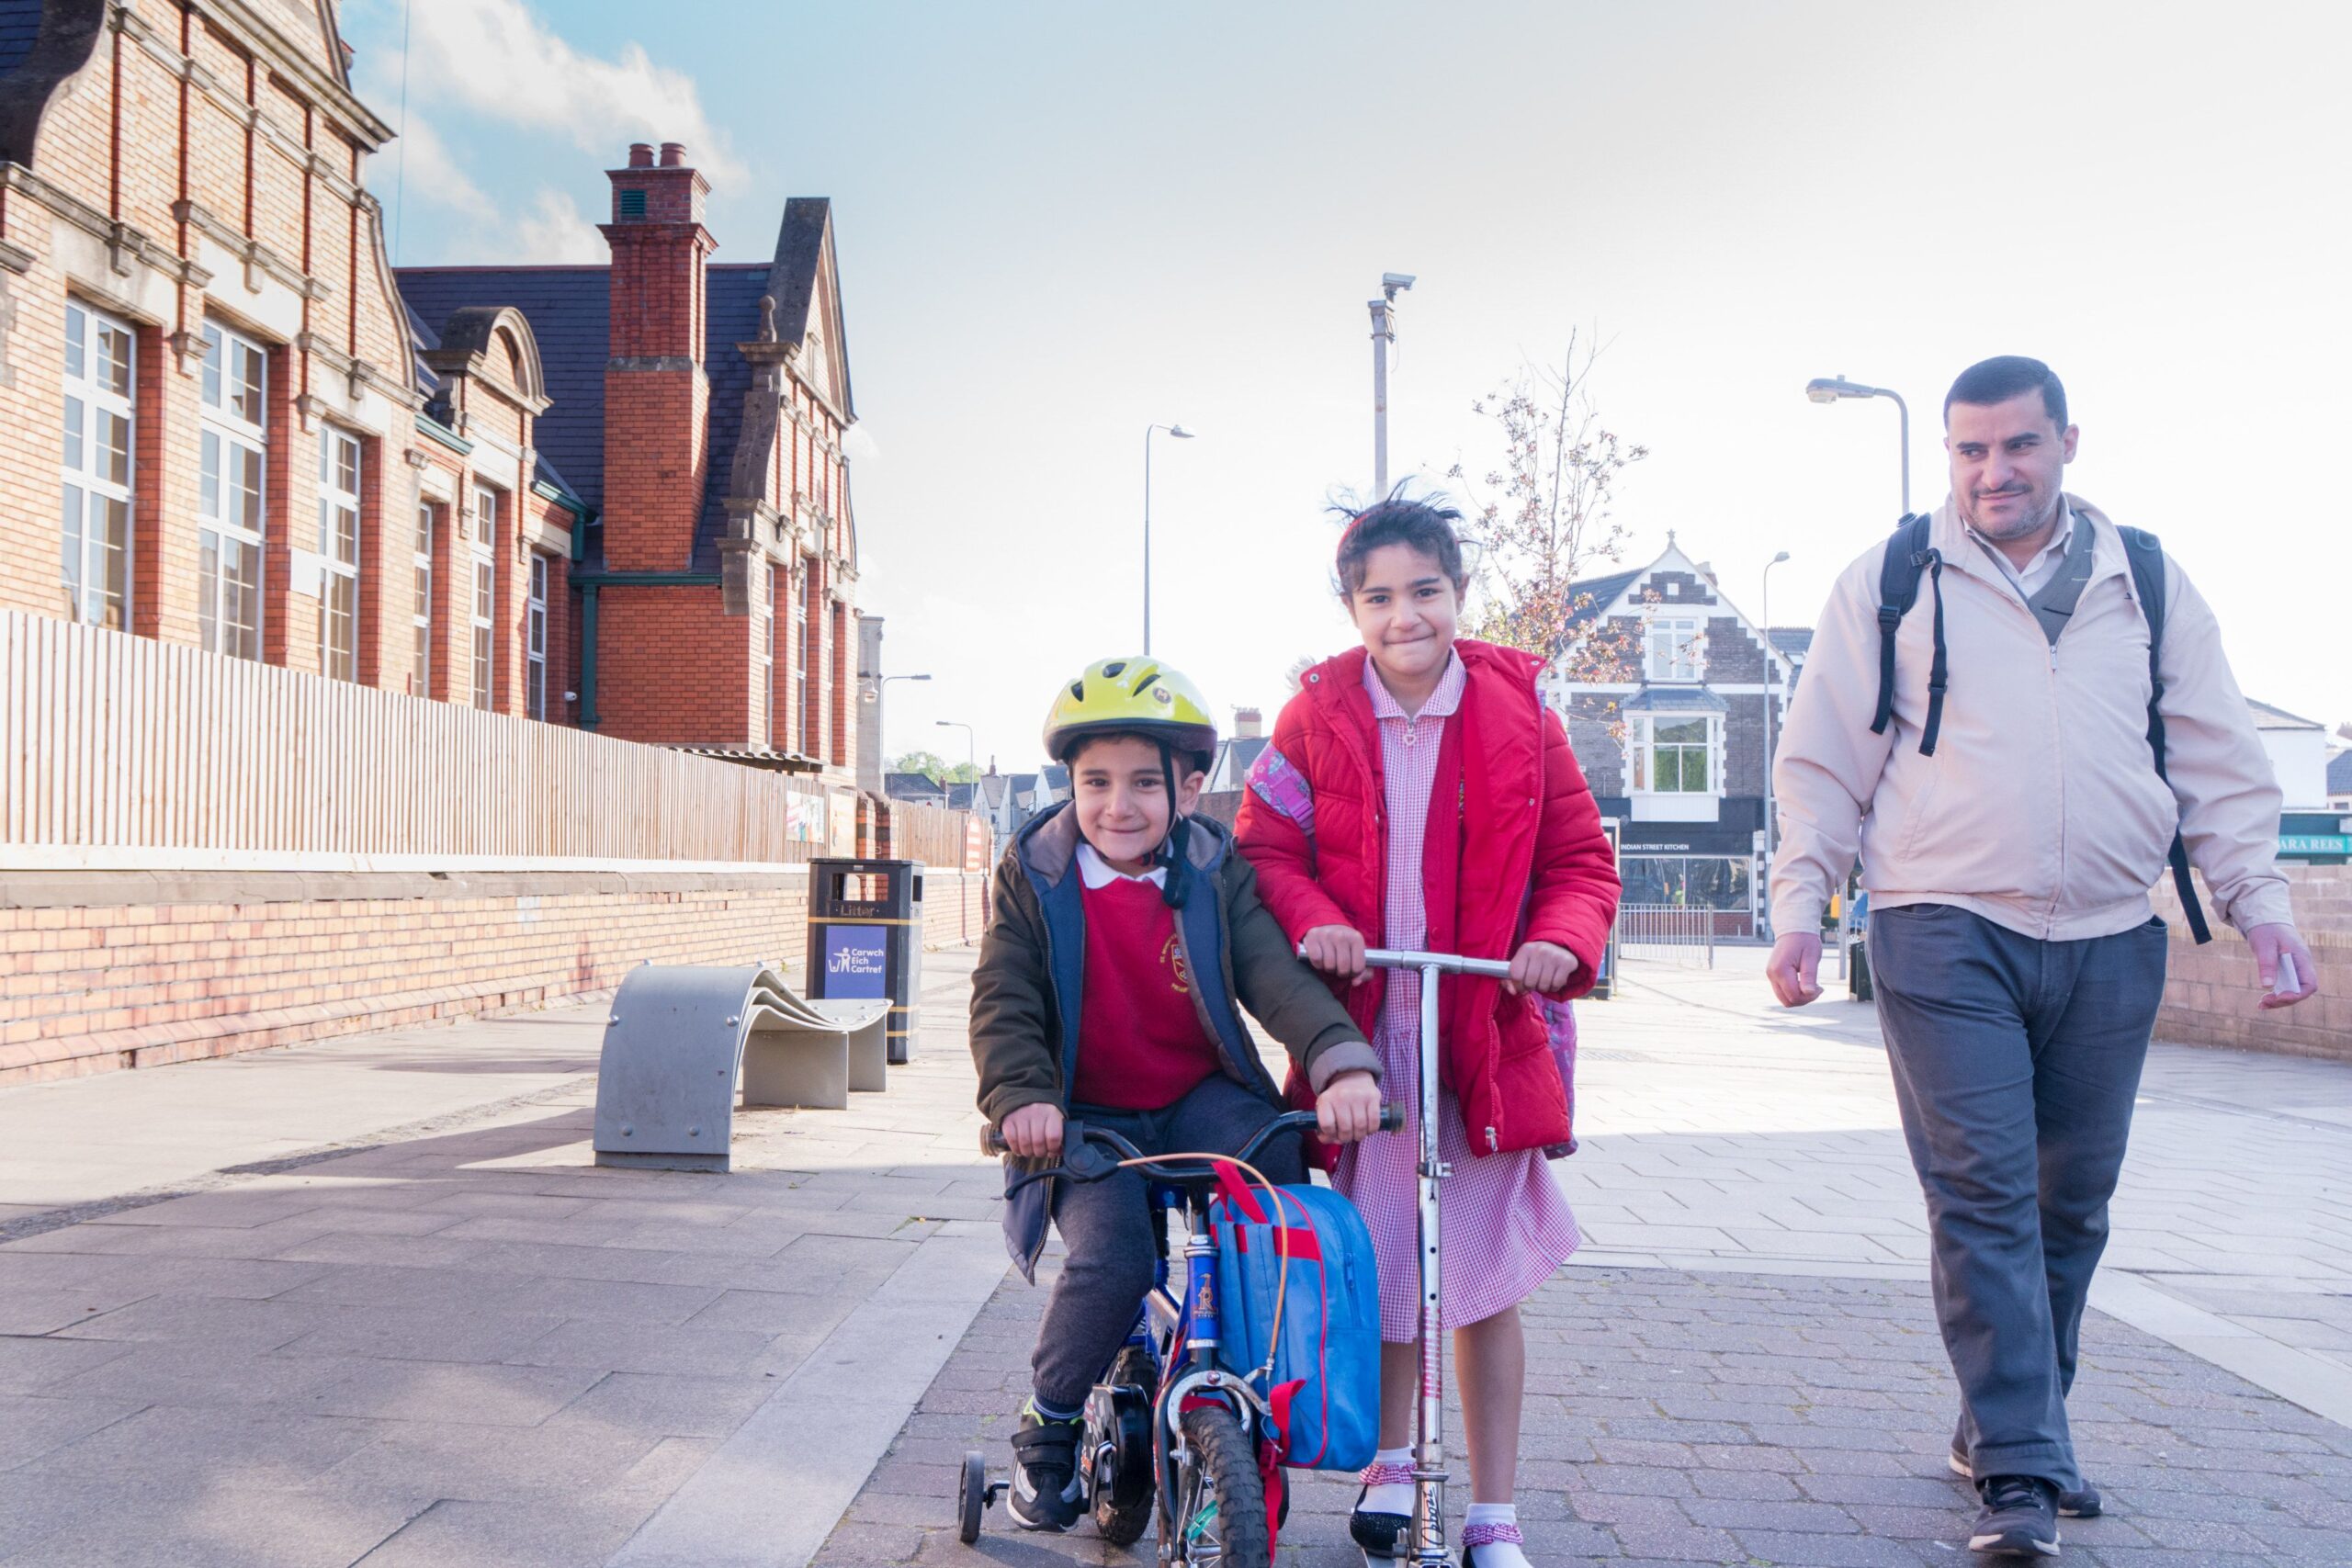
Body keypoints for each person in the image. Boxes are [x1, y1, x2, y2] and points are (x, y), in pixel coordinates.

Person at [1767, 355, 2321, 1559]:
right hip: (1942, 922)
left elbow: (2221, 762)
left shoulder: (2149, 583)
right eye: (1969, 450)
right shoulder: (1897, 578)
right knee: (1983, 1192)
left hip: (2115, 932)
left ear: (2068, 441)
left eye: (2016, 446)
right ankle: (2022, 1467)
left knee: (2072, 1201)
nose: (1992, 471)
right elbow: (1819, 758)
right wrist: (1803, 902)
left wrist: (2260, 903)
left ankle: (2004, 1419)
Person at [1237, 493, 1620, 1568]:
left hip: (1486, 1031)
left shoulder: (1519, 712)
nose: (1404, 616)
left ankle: (1493, 1511)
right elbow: (1266, 851)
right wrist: (1317, 924)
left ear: (1456, 593)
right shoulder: (1313, 717)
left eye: (1424, 592)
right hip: (1371, 1029)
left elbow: (1580, 863)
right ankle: (1393, 1464)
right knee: (1391, 1265)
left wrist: (1557, 943)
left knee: (1479, 1274)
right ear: (1350, 608)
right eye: (1378, 598)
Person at [969, 656, 1386, 1532]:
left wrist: (1341, 1058)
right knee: (1114, 1258)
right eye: (1096, 782)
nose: (1118, 805)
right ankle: (1047, 1425)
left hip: (1193, 1094)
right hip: (1082, 1112)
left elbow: (1273, 973)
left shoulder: (1210, 868)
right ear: (1070, 785)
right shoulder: (1037, 875)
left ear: (1188, 790)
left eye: (1143, 784)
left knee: (1276, 1155)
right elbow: (1004, 999)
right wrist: (1022, 1097)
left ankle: (1245, 1373)